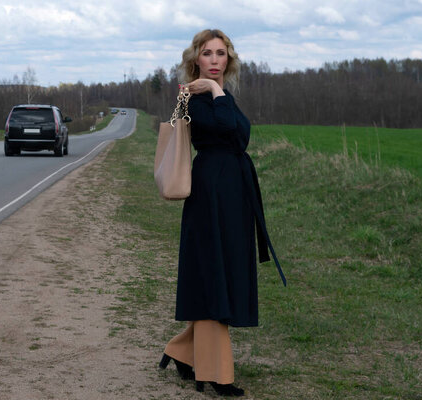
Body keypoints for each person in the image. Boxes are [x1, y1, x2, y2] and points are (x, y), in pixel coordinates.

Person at [158, 29, 286, 397]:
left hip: (232, 193)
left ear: (228, 59)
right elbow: (229, 129)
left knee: (223, 270)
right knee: (214, 272)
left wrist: (218, 93)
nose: (215, 60)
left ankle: (181, 351)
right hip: (211, 192)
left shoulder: (222, 95)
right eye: (207, 53)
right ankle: (217, 372)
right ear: (195, 59)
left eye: (221, 53)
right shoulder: (194, 98)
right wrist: (213, 92)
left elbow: (242, 137)